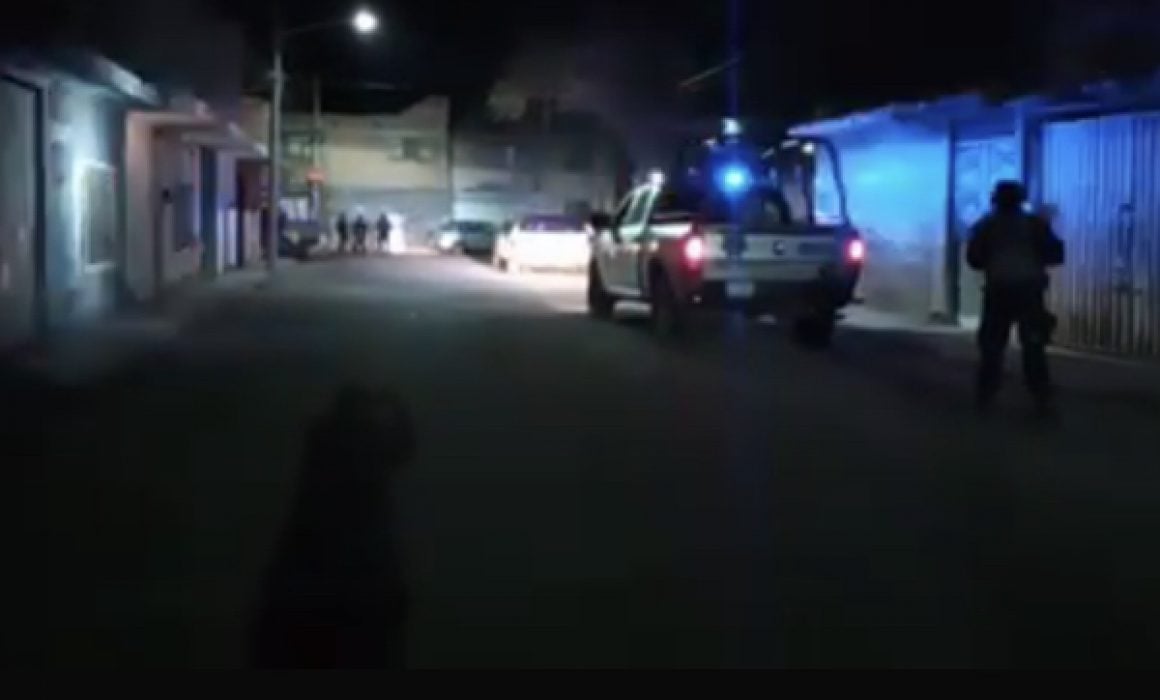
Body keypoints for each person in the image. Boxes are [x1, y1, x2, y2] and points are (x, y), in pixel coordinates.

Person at [966, 180, 1065, 417]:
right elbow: (1055, 255)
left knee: (992, 347)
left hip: (999, 291)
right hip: (1028, 292)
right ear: (1021, 200)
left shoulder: (986, 225)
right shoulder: (1034, 225)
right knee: (1033, 347)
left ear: (996, 200)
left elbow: (974, 259)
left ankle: (986, 397)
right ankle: (1041, 399)